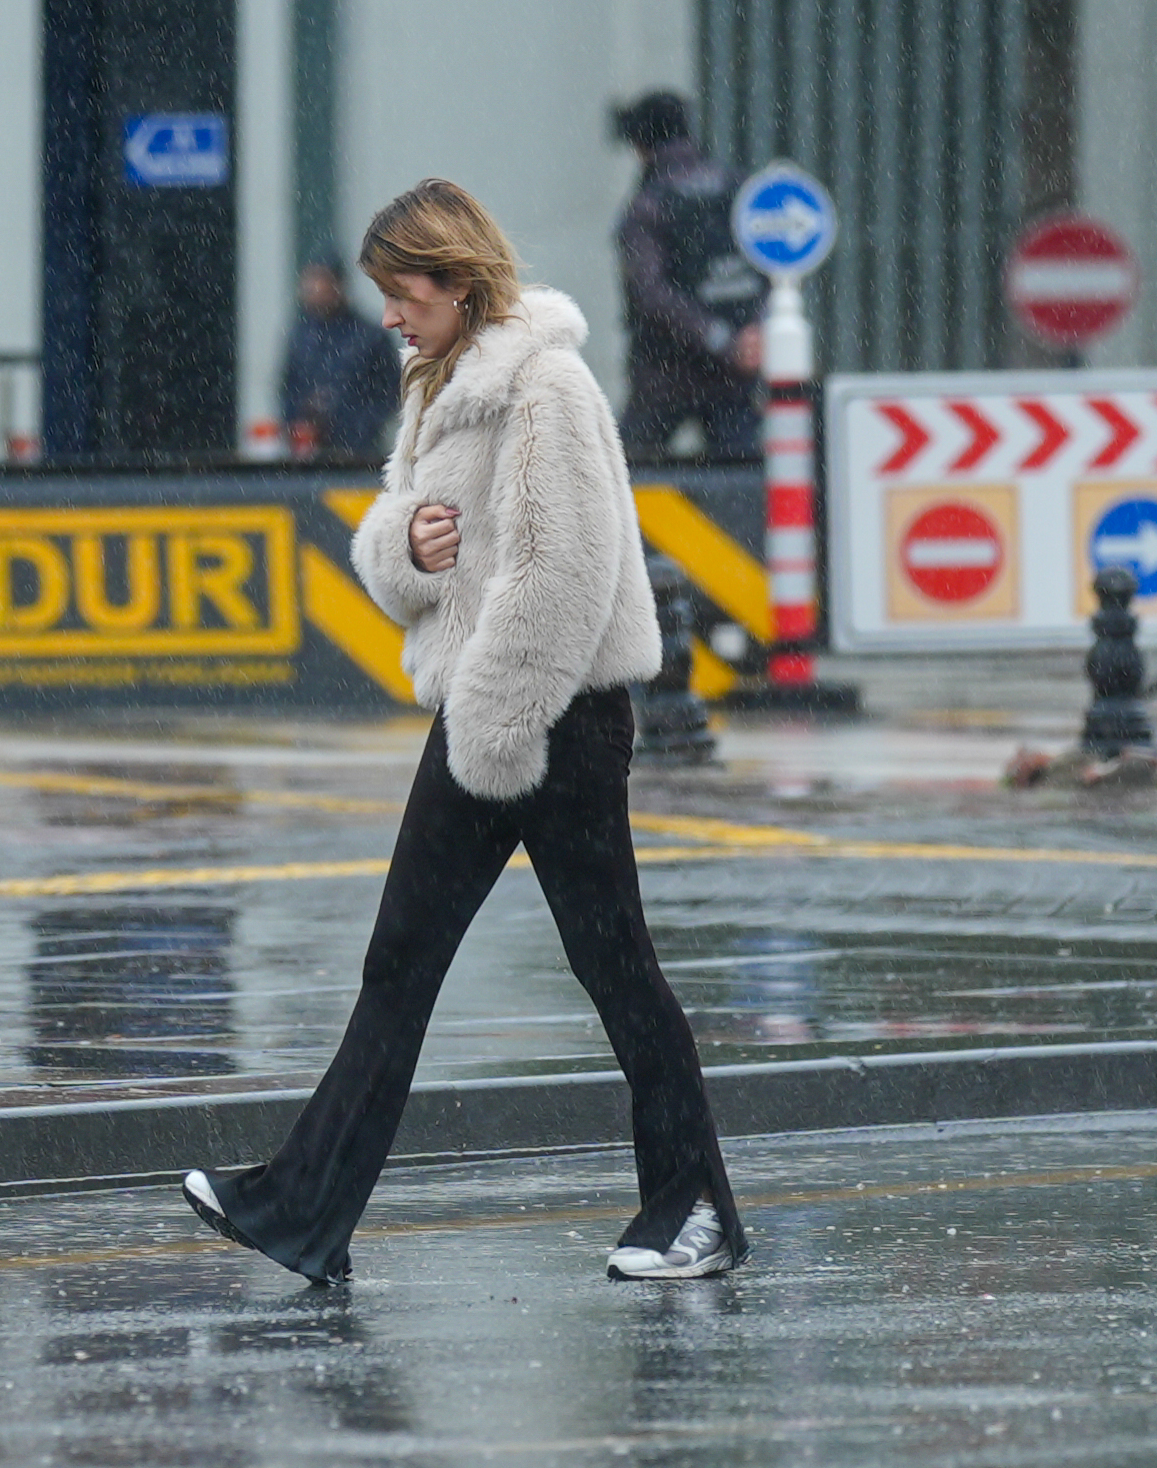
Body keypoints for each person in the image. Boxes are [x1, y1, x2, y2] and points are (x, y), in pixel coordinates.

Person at [183, 179, 745, 1286]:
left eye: (403, 292)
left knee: (610, 966)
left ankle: (696, 1211)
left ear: (457, 277)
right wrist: (408, 545)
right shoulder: (441, 381)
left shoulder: (544, 386)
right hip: (494, 714)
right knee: (408, 958)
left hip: (552, 718)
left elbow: (565, 574)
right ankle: (302, 1211)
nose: (389, 315)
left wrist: (490, 729)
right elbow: (410, 541)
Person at [613, 91, 765, 462]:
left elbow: (650, 294)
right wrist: (752, 335)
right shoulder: (740, 188)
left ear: (640, 145)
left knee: (621, 471)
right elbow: (777, 268)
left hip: (666, 371)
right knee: (744, 473)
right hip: (735, 375)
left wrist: (719, 339)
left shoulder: (649, 205)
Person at [281, 250, 402, 459]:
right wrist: (299, 419)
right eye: (311, 281)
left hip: (359, 453)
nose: (315, 289)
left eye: (322, 280)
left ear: (338, 284)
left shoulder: (369, 336)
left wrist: (355, 422)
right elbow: (288, 388)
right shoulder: (300, 336)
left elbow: (390, 392)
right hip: (308, 452)